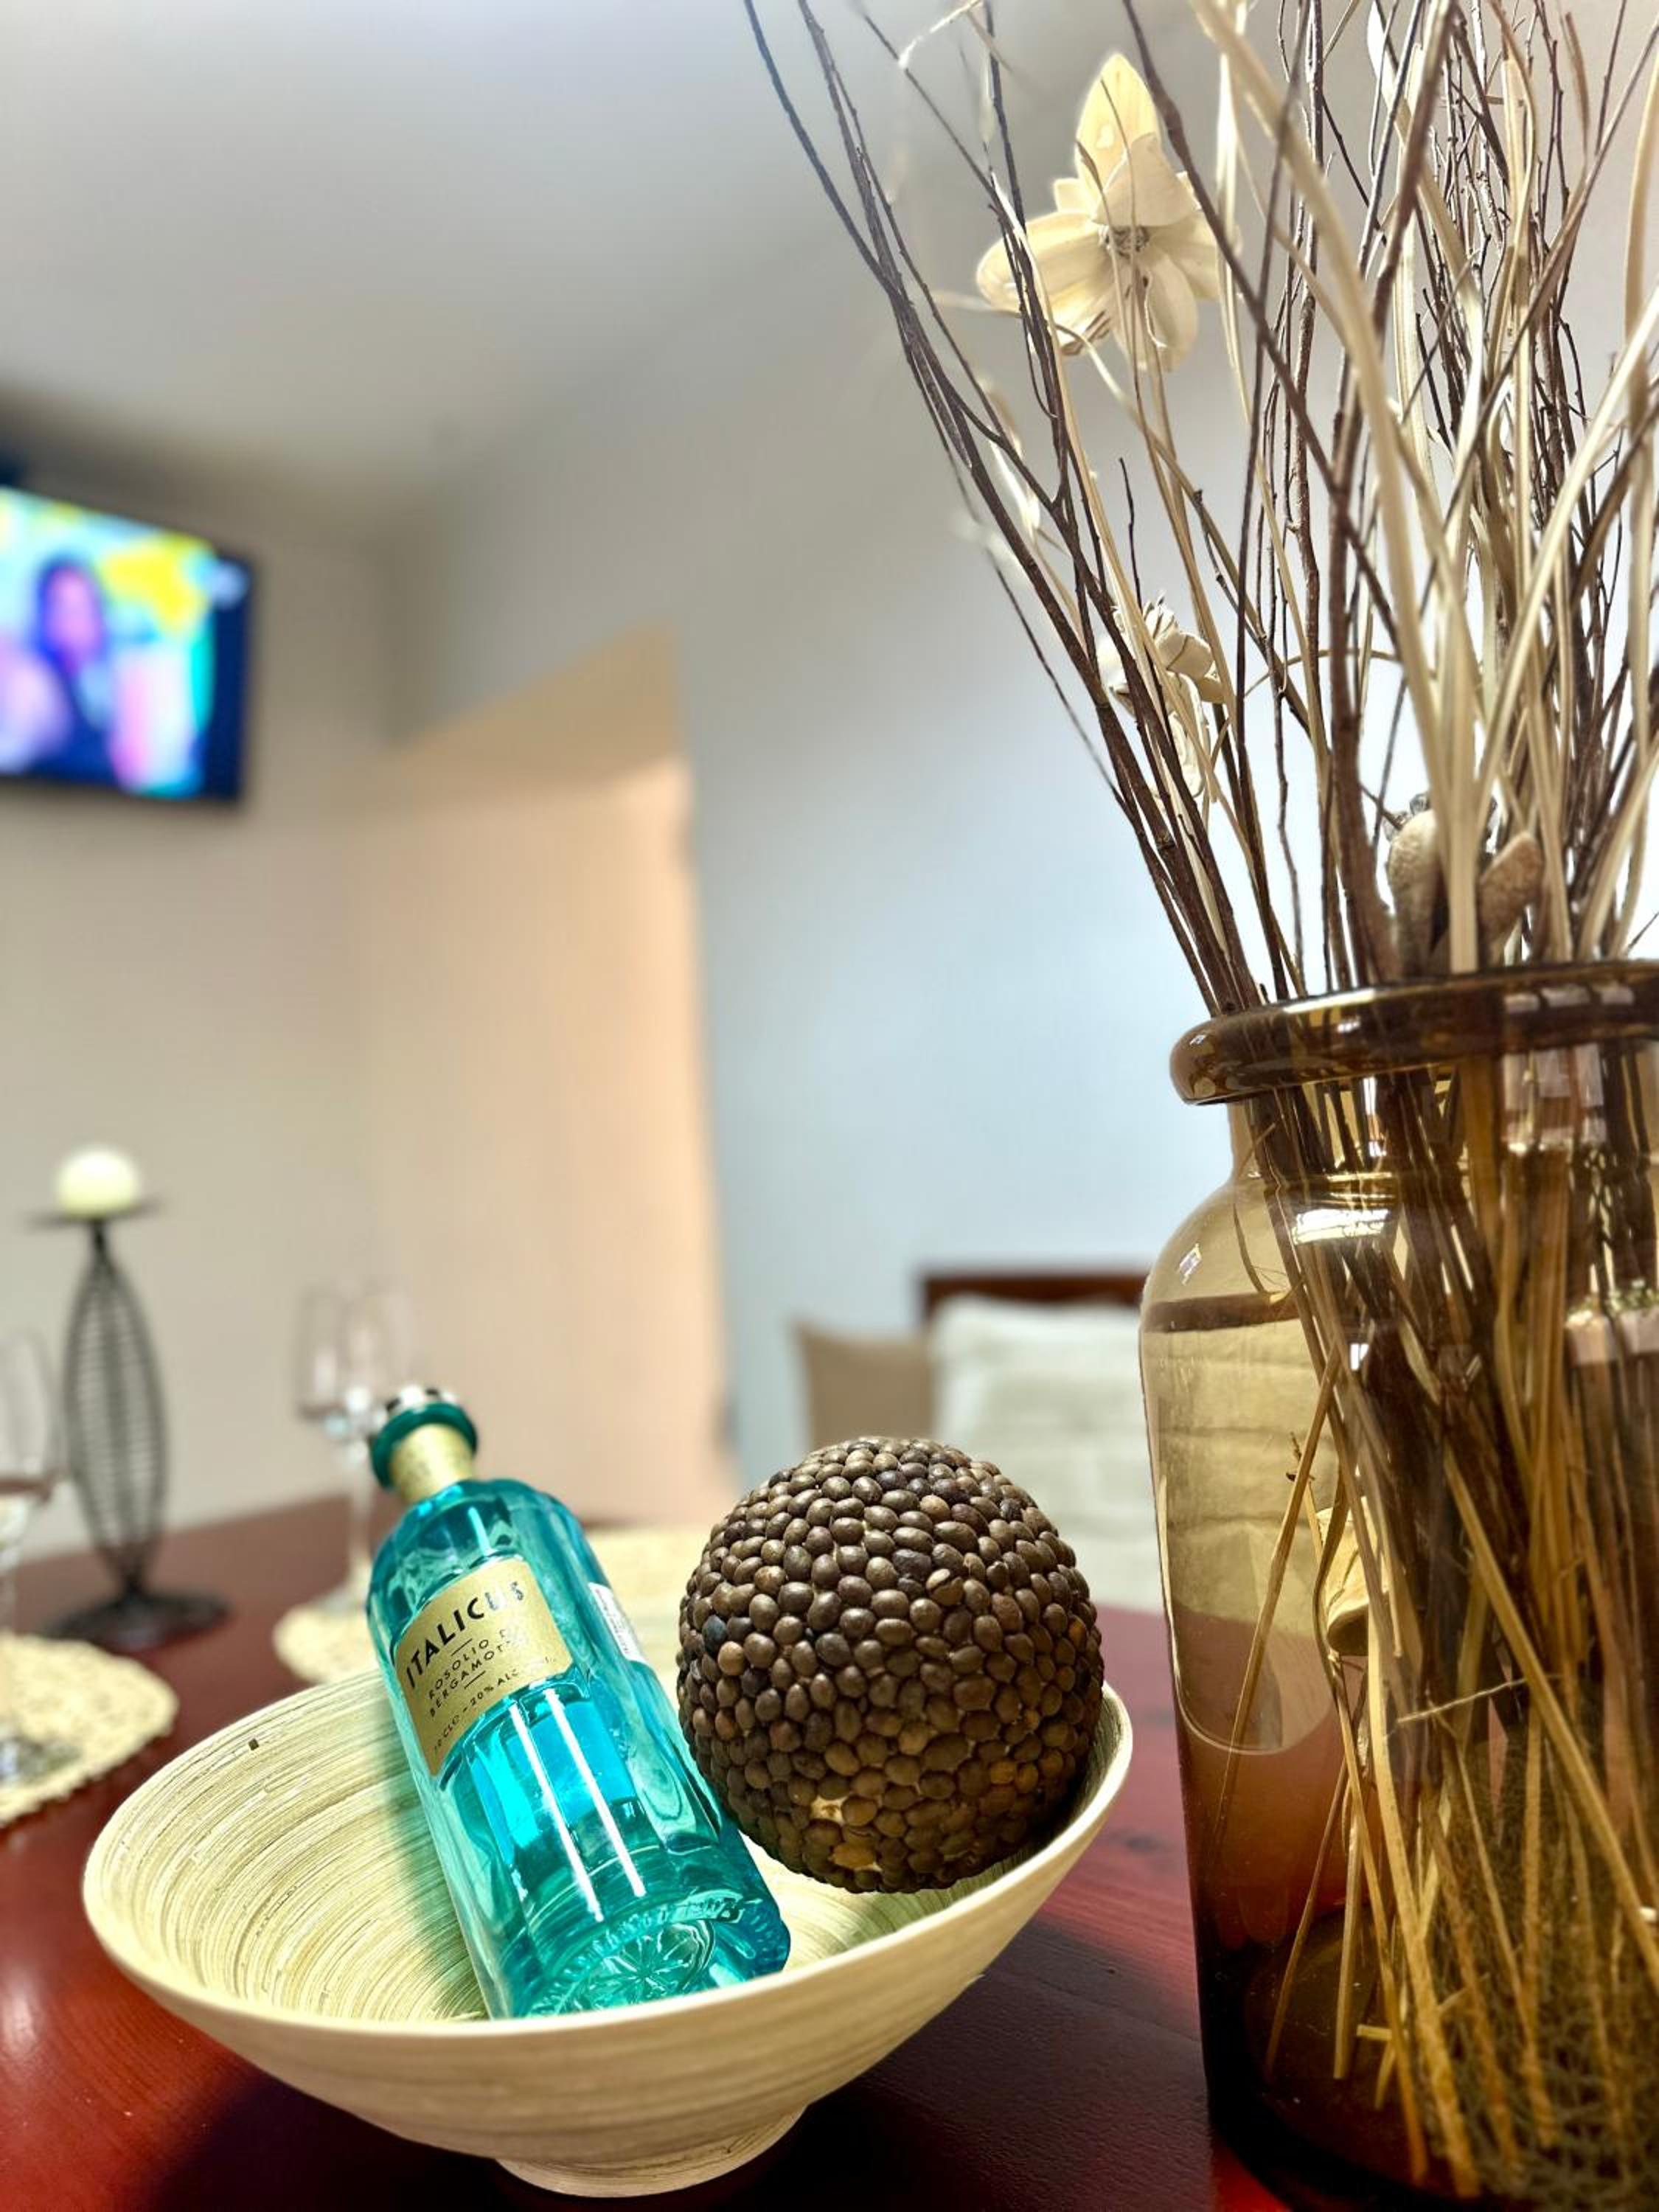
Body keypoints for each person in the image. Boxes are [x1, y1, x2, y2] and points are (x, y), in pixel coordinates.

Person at [27, 557, 117, 782]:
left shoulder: (116, 681)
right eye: (62, 609)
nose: (74, 623)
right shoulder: (35, 686)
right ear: (43, 616)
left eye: (83, 608)